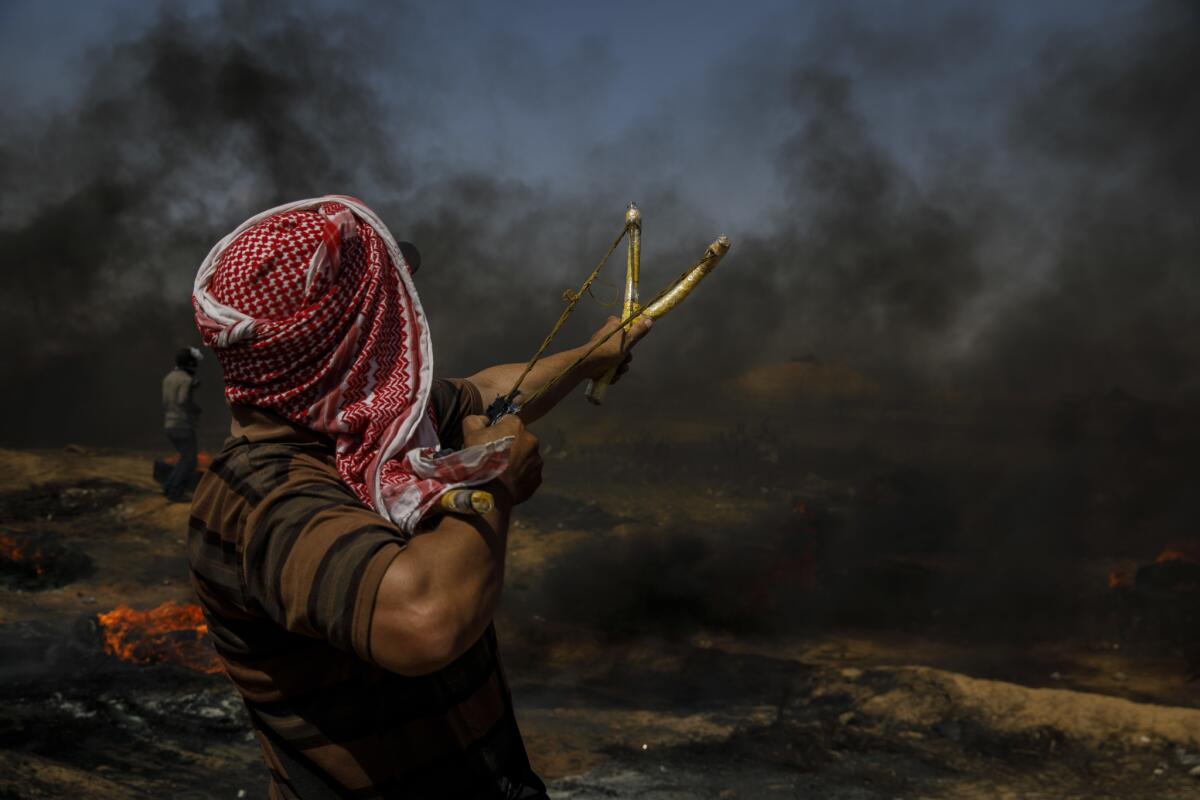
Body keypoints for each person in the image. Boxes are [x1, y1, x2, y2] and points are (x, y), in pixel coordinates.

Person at [187, 197, 649, 799]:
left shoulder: (358, 425)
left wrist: (594, 356)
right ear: (344, 341)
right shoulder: (263, 499)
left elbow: (487, 393)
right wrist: (491, 478)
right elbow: (425, 621)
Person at [161, 346, 202, 502]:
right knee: (190, 460)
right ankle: (174, 492)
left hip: (169, 425)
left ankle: (169, 487)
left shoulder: (168, 377)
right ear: (189, 363)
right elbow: (183, 400)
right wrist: (196, 409)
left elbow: (166, 400)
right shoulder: (186, 379)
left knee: (185, 457)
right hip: (182, 425)